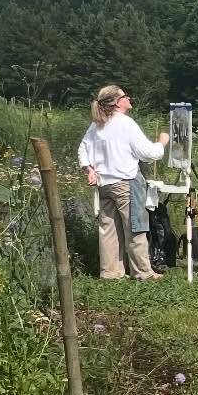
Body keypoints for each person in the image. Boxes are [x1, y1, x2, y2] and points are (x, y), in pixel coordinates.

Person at [77, 85, 168, 280]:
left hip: (104, 184)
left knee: (108, 230)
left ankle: (110, 273)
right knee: (135, 227)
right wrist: (162, 143)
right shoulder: (125, 123)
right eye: (125, 96)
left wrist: (89, 169)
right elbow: (148, 153)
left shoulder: (97, 124)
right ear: (117, 102)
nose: (129, 98)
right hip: (126, 183)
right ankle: (143, 272)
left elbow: (82, 149)